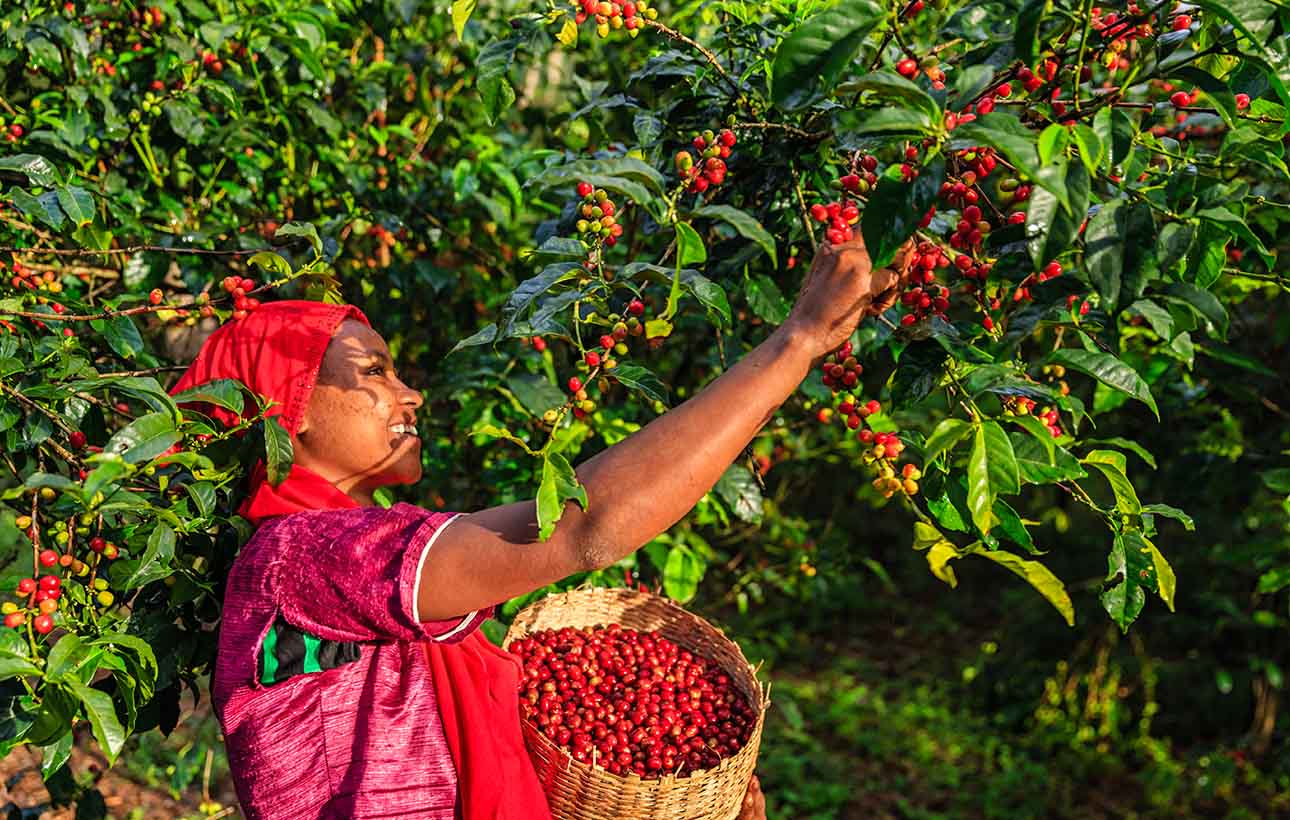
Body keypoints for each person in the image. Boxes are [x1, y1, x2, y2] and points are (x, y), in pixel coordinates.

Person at [173, 236, 906, 819]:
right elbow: (588, 526)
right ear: (285, 409)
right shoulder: (298, 556)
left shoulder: (346, 559)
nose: (411, 392)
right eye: (376, 372)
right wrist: (799, 341)